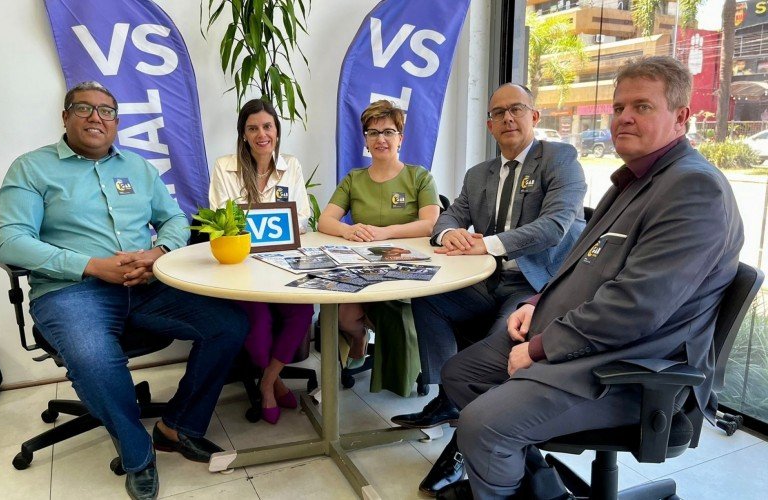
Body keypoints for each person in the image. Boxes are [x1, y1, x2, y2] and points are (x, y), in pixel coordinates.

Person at [435, 56, 744, 499]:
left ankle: (500, 475)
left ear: (681, 117)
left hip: (629, 366)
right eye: (619, 108)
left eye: (642, 106)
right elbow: (583, 265)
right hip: (575, 334)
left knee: (484, 425)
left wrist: (541, 348)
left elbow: (634, 308)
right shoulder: (633, 180)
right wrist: (535, 303)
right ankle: (538, 488)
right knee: (461, 374)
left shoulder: (693, 189)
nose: (624, 118)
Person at [0, 81, 249, 500]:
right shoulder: (31, 168)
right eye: (84, 108)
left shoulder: (138, 167)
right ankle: (137, 453)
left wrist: (158, 253)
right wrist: (92, 266)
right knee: (94, 357)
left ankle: (177, 427)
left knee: (229, 324)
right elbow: (10, 242)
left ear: (116, 121)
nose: (96, 117)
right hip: (71, 291)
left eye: (106, 111)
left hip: (146, 285)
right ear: (65, 117)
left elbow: (174, 219)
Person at [391, 83, 586, 497]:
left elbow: (555, 227)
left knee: (501, 342)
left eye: (517, 109)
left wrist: (488, 243)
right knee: (428, 296)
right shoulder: (479, 173)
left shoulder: (560, 159)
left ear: (535, 116)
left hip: (534, 288)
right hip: (487, 279)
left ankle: (462, 446)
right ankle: (448, 398)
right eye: (499, 113)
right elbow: (448, 217)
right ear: (490, 125)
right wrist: (450, 237)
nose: (508, 118)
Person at [318, 99, 440, 395]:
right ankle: (359, 341)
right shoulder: (354, 179)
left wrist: (387, 232)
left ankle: (402, 369)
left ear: (401, 137)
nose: (381, 139)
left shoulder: (419, 177)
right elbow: (325, 221)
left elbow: (430, 224)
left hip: (407, 272)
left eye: (388, 131)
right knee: (342, 315)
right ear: (366, 140)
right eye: (373, 133)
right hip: (362, 269)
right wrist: (350, 230)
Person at [209, 98, 314, 425]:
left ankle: (266, 381)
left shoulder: (291, 167)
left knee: (303, 312)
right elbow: (223, 219)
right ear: (243, 134)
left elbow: (303, 218)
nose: (261, 134)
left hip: (284, 265)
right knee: (258, 330)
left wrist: (272, 230)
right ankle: (275, 381)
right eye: (252, 128)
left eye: (267, 126)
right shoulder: (225, 167)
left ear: (277, 132)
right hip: (243, 269)